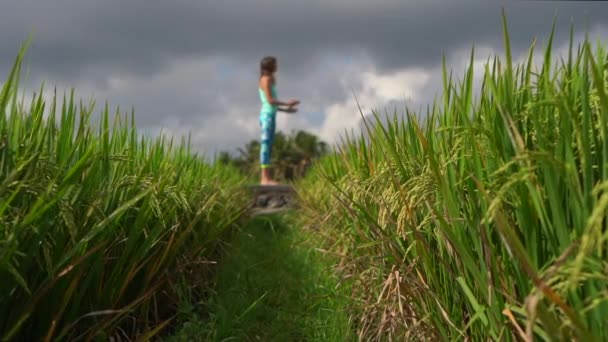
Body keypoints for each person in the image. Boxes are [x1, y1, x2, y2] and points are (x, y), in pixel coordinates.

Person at [258, 56, 299, 185]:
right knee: (265, 145)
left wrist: (287, 110)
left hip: (270, 114)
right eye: (275, 64)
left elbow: (270, 104)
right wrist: (287, 103)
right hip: (267, 116)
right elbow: (270, 101)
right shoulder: (266, 79)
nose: (277, 66)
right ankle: (264, 178)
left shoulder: (269, 79)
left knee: (269, 146)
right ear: (270, 66)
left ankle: (266, 178)